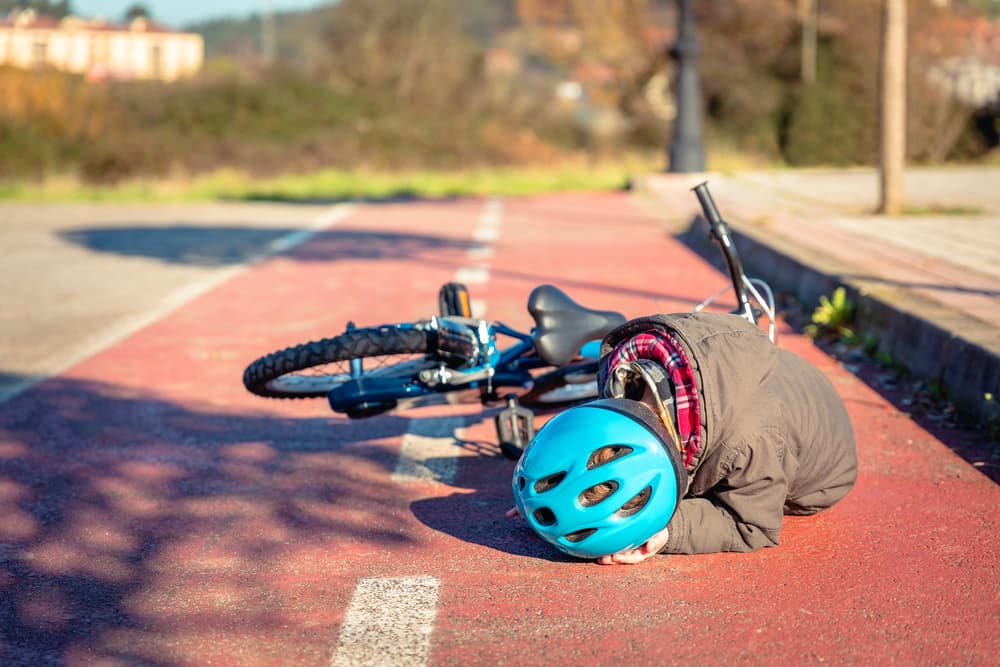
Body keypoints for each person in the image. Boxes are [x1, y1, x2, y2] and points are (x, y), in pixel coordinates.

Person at [509, 311, 857, 565]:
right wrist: (549, 483)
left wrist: (667, 532)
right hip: (765, 385)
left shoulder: (750, 446)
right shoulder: (633, 368)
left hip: (823, 475)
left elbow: (752, 525)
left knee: (726, 484)